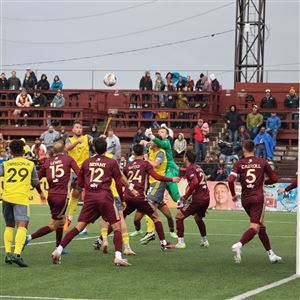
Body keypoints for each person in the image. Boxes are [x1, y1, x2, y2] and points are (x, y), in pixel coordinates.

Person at [51, 138, 132, 266]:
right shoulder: (111, 162)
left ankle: (58, 251)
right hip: (105, 197)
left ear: (94, 149)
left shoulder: (87, 162)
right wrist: (122, 200)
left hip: (90, 198)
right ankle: (118, 256)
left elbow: (80, 183)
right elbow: (118, 183)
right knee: (116, 226)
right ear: (106, 149)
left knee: (78, 227)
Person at [228, 140, 281, 264]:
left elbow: (230, 180)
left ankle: (271, 254)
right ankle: (239, 245)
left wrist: (234, 195)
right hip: (258, 198)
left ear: (244, 149)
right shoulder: (262, 162)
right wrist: (263, 182)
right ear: (255, 149)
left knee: (261, 226)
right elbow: (274, 179)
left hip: (245, 199)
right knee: (255, 227)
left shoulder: (239, 163)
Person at [122, 144, 180, 251]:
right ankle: (163, 243)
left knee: (120, 217)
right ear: (144, 152)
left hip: (129, 197)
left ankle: (101, 239)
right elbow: (157, 176)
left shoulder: (128, 165)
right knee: (155, 217)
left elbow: (122, 180)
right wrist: (171, 179)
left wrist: (121, 197)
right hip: (140, 197)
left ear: (133, 153)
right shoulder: (145, 164)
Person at [25, 139, 80, 250]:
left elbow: (36, 179)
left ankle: (58, 247)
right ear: (64, 149)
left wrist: (40, 192)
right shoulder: (69, 159)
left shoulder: (48, 162)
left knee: (61, 220)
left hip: (51, 196)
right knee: (54, 224)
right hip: (62, 196)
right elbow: (79, 174)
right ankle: (29, 238)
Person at [1, 139, 45, 267]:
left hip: (7, 198)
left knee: (9, 225)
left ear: (11, 151)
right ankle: (18, 255)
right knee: (22, 225)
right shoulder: (29, 164)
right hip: (21, 198)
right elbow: (35, 182)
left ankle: (8, 254)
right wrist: (41, 193)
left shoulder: (6, 164)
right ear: (23, 150)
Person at [92, 151, 136, 256]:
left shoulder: (92, 159)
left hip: (100, 193)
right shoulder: (111, 158)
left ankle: (105, 240)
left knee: (104, 218)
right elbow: (120, 176)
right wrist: (129, 187)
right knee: (120, 219)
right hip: (113, 193)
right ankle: (126, 247)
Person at [175, 150, 210, 249]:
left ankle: (181, 242)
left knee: (179, 216)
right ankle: (204, 240)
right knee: (198, 218)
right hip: (206, 197)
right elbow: (204, 181)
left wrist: (185, 197)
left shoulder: (190, 168)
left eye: (184, 156)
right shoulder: (198, 168)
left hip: (198, 199)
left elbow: (194, 182)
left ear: (186, 158)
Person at [63, 121, 93, 232]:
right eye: (77, 127)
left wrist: (100, 139)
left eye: (80, 127)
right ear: (73, 130)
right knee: (75, 195)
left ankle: (86, 225)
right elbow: (66, 149)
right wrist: (76, 143)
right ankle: (69, 218)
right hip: (74, 171)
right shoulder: (69, 140)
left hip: (86, 171)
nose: (79, 129)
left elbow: (93, 142)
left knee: (89, 196)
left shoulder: (87, 137)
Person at [145, 127, 181, 204]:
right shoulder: (156, 144)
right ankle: (184, 201)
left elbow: (160, 143)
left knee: (170, 182)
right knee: (168, 188)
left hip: (170, 167)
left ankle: (179, 201)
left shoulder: (166, 142)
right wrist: (146, 139)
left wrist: (151, 136)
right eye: (159, 132)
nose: (160, 133)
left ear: (167, 135)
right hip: (164, 170)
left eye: (162, 132)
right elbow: (147, 143)